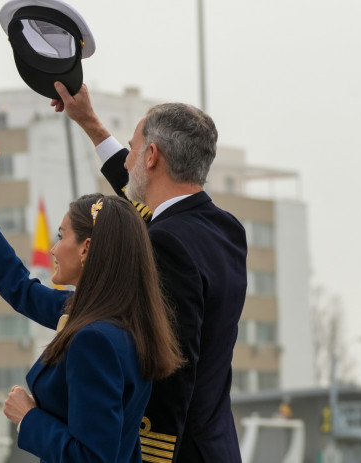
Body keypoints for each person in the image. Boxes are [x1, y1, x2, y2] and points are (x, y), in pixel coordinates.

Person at [51, 82, 248, 462]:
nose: (127, 161)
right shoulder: (224, 229)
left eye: (134, 150)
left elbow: (171, 367)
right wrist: (90, 123)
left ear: (153, 156)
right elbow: (139, 204)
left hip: (175, 453)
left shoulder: (166, 244)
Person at [0, 139, 183, 463]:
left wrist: (28, 418)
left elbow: (92, 458)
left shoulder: (95, 339)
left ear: (86, 248)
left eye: (61, 236)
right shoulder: (118, 319)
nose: (53, 248)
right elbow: (20, 288)